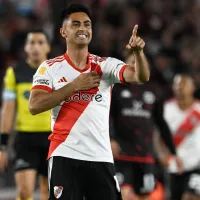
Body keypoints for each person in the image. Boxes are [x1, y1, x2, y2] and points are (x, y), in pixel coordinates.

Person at [28, 4, 150, 200]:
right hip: (64, 154)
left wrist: (138, 53)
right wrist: (74, 86)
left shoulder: (105, 65)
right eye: (75, 24)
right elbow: (34, 105)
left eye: (87, 24)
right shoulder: (49, 68)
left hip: (100, 156)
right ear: (63, 31)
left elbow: (140, 76)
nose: (82, 28)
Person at [110, 53, 182, 200]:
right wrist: (110, 138)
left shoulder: (154, 92)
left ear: (146, 67)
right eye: (131, 61)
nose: (135, 65)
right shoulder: (116, 89)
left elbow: (161, 123)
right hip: (122, 154)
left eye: (139, 62)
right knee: (121, 194)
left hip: (145, 154)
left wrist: (173, 152)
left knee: (144, 196)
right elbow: (107, 118)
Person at [0, 29, 51, 200]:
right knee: (24, 192)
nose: (36, 46)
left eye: (40, 42)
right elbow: (7, 109)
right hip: (25, 140)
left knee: (49, 193)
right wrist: (2, 145)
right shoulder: (14, 73)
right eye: (32, 42)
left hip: (53, 138)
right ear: (25, 48)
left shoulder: (58, 72)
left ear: (48, 47)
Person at [158, 74, 200, 200]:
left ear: (193, 88)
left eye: (184, 84)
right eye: (177, 84)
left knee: (191, 197)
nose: (180, 87)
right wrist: (161, 155)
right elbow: (158, 137)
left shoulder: (198, 109)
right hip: (173, 166)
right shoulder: (165, 108)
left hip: (196, 166)